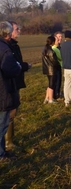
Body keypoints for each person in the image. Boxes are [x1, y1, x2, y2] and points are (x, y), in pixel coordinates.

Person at [5, 21, 32, 151]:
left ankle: (9, 140)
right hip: (9, 85)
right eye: (17, 29)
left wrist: (23, 66)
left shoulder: (14, 45)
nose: (19, 31)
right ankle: (8, 143)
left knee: (13, 113)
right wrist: (25, 66)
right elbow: (11, 65)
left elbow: (18, 63)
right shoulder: (6, 47)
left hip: (16, 82)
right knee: (10, 113)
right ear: (9, 31)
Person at [0, 21, 21, 162]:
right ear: (7, 34)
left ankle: (2, 152)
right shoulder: (4, 49)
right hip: (3, 91)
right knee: (2, 124)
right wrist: (19, 66)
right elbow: (10, 69)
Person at [42, 36, 61, 104]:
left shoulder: (45, 49)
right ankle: (50, 99)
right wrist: (59, 64)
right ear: (53, 42)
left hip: (47, 69)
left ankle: (47, 98)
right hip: (52, 70)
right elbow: (54, 61)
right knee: (52, 85)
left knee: (50, 84)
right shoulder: (50, 51)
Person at [53, 31, 63, 99]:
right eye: (59, 36)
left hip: (59, 66)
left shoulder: (59, 47)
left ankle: (57, 93)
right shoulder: (54, 47)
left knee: (59, 80)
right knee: (56, 81)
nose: (60, 38)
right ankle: (55, 95)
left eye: (61, 36)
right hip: (55, 67)